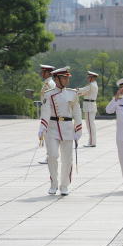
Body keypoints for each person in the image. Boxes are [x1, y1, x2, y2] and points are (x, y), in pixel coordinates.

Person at [38, 67, 82, 196]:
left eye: (67, 77)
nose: (67, 80)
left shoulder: (72, 93)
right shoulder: (48, 93)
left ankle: (64, 185)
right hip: (52, 127)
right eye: (64, 77)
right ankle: (54, 184)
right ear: (57, 79)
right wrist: (42, 126)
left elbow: (77, 112)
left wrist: (78, 128)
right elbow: (45, 111)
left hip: (67, 127)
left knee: (67, 159)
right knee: (52, 156)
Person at [38, 64, 56, 164]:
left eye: (43, 71)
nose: (41, 73)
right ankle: (50, 156)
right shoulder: (47, 83)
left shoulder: (49, 84)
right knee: (47, 135)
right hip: (46, 112)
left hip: (48, 114)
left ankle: (50, 157)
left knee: (48, 136)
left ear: (48, 73)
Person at [77, 71, 99, 147]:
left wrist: (76, 90)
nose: (87, 78)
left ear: (92, 78)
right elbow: (85, 93)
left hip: (90, 106)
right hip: (89, 106)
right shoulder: (92, 85)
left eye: (89, 77)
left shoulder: (92, 85)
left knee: (90, 125)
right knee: (90, 125)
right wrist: (78, 93)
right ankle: (91, 142)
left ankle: (92, 142)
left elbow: (83, 90)